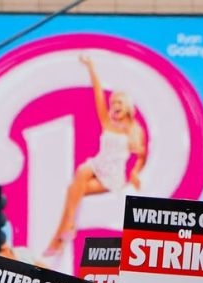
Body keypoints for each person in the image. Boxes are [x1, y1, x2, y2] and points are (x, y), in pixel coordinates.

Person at [44, 55, 147, 259]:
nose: (113, 105)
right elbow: (97, 94)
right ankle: (65, 230)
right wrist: (91, 67)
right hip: (96, 165)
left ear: (126, 105)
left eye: (118, 102)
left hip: (112, 176)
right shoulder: (107, 123)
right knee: (81, 173)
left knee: (74, 190)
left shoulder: (134, 131)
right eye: (112, 103)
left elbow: (141, 155)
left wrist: (135, 173)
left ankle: (59, 238)